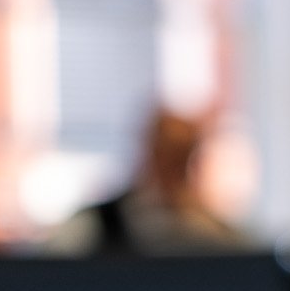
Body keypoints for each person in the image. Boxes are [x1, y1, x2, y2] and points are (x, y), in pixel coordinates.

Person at [48, 108, 246, 255]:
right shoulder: (97, 223)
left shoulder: (221, 237)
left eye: (177, 157)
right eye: (161, 154)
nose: (167, 167)